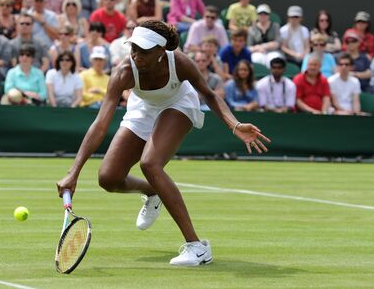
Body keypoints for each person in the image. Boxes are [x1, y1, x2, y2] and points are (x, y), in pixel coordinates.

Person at [56, 20, 270, 266]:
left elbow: (209, 95)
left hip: (178, 104)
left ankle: (197, 247)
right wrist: (74, 172)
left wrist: (234, 125)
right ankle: (152, 191)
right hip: (143, 107)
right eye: (133, 48)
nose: (136, 56)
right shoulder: (124, 71)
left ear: (161, 51)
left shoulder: (179, 62)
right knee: (109, 177)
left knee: (150, 164)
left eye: (144, 51)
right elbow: (101, 123)